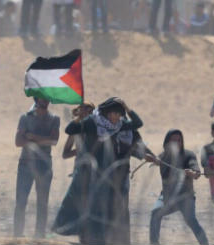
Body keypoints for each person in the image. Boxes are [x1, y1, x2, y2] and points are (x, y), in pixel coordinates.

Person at [63, 97, 143, 244]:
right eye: (84, 111)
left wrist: (126, 106)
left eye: (90, 110)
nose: (117, 116)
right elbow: (67, 141)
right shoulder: (88, 126)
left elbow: (137, 129)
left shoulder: (118, 126)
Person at [148, 129, 208, 245]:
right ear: (167, 142)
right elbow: (155, 160)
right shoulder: (163, 157)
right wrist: (152, 159)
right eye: (173, 140)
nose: (176, 143)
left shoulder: (189, 155)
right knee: (155, 213)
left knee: (191, 220)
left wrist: (193, 173)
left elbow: (196, 171)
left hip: (186, 197)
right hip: (167, 197)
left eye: (179, 140)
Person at [14, 97, 59, 238]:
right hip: (26, 163)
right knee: (21, 201)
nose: (45, 101)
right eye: (42, 98)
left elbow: (53, 140)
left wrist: (32, 136)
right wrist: (41, 140)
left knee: (42, 202)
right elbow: (18, 142)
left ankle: (39, 235)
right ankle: (17, 235)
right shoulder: (25, 118)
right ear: (36, 99)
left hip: (44, 164)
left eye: (47, 98)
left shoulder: (54, 119)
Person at [52, 102, 95, 237]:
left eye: (89, 111)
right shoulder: (75, 131)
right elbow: (65, 154)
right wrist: (79, 150)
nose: (87, 114)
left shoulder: (96, 129)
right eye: (84, 111)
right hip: (80, 170)